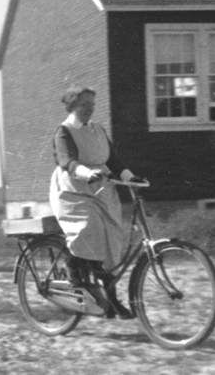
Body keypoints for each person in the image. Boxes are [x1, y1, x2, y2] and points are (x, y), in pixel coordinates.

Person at [48, 85, 141, 319]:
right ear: (72, 106)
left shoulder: (97, 130)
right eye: (84, 105)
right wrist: (87, 173)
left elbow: (114, 160)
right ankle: (72, 267)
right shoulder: (64, 131)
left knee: (111, 237)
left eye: (92, 105)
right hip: (73, 191)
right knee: (90, 228)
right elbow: (67, 162)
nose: (89, 109)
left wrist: (130, 177)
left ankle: (107, 298)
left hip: (100, 189)